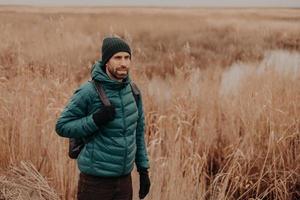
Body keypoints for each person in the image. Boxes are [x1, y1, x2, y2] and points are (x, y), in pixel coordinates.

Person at [55, 37, 150, 200]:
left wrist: (143, 170)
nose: (124, 63)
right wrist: (95, 120)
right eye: (118, 58)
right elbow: (62, 126)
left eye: (127, 58)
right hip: (95, 183)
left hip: (124, 181)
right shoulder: (89, 91)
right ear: (106, 61)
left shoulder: (133, 91)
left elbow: (138, 133)